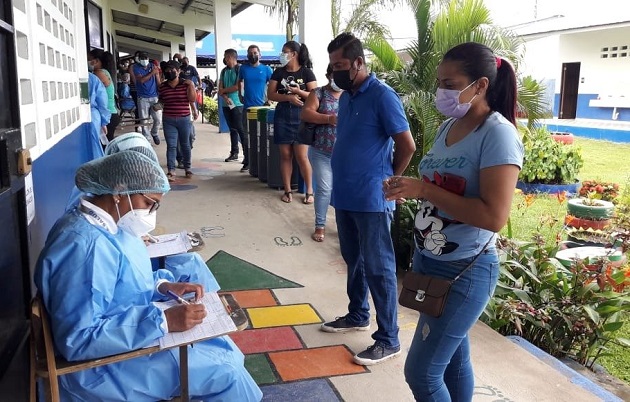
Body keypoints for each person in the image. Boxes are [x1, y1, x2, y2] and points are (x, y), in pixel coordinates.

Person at [34, 151, 262, 401]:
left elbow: (124, 283)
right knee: (226, 371)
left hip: (128, 335)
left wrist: (164, 286)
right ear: (119, 192)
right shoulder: (85, 247)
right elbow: (79, 339)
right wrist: (163, 322)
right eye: (149, 203)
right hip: (103, 369)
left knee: (223, 348)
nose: (152, 212)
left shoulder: (110, 226)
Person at [383, 42, 524, 401]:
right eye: (439, 83)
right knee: (453, 363)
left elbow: (493, 216)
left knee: (421, 373)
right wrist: (409, 188)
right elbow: (438, 183)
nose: (441, 91)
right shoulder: (450, 126)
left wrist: (424, 191)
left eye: (450, 83)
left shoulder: (498, 134)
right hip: (431, 261)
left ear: (479, 85)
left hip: (465, 270)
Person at [320, 33, 416, 366]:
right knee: (354, 260)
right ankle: (357, 314)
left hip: (372, 198)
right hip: (345, 195)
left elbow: (407, 145)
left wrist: (391, 182)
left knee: (379, 269)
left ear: (359, 62)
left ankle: (389, 339)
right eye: (333, 67)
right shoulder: (346, 97)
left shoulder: (382, 96)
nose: (336, 73)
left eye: (341, 66)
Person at [267, 40, 317, 204]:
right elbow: (271, 95)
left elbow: (315, 95)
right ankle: (287, 190)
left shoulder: (307, 73)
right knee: (285, 155)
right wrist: (288, 97)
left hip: (302, 117)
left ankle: (310, 191)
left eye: (284, 51)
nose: (282, 55)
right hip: (282, 116)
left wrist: (298, 92)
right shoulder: (278, 73)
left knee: (302, 156)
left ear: (294, 54)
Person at [300, 64, 343, 242]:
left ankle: (343, 226)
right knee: (325, 188)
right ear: (329, 75)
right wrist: (328, 119)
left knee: (342, 190)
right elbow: (306, 113)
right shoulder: (318, 93)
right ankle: (320, 225)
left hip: (344, 154)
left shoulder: (350, 95)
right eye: (336, 75)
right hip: (321, 151)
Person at [159, 60, 198, 180]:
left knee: (185, 144)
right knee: (171, 146)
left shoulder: (185, 84)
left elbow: (192, 99)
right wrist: (157, 106)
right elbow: (162, 101)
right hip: (168, 119)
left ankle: (188, 168)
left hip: (184, 119)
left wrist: (191, 85)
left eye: (172, 70)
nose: (169, 72)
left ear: (179, 71)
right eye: (167, 70)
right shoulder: (163, 86)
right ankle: (171, 171)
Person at [218, 49, 249, 172]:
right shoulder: (224, 71)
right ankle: (234, 152)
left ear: (231, 57)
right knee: (232, 129)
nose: (225, 59)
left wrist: (224, 91)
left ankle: (247, 157)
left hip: (238, 104)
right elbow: (220, 87)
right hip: (226, 104)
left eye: (226, 57)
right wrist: (224, 96)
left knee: (241, 130)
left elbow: (237, 86)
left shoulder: (240, 70)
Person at [131, 51, 162, 145]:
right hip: (142, 98)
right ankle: (147, 139)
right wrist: (152, 73)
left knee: (157, 119)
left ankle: (154, 133)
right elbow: (141, 80)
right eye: (142, 58)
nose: (144, 60)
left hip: (154, 97)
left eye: (146, 58)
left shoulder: (153, 66)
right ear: (139, 59)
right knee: (144, 120)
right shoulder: (136, 67)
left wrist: (160, 90)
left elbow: (158, 80)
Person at [88, 49, 119, 142]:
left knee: (106, 147)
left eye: (89, 59)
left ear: (96, 61)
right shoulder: (105, 72)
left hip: (107, 115)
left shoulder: (98, 74)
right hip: (111, 114)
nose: (87, 62)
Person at [238, 44, 273, 121]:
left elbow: (273, 85)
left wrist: (269, 100)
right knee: (246, 131)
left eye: (255, 53)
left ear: (260, 55)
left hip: (262, 106)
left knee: (262, 131)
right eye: (250, 53)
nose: (252, 55)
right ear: (247, 56)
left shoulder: (267, 69)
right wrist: (240, 95)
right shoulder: (243, 68)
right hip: (247, 106)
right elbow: (239, 81)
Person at [87, 71, 110, 159]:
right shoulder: (92, 78)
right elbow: (102, 102)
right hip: (93, 118)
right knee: (94, 146)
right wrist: (104, 122)